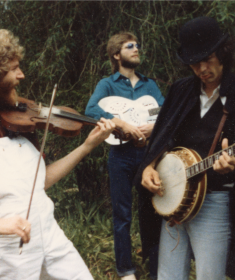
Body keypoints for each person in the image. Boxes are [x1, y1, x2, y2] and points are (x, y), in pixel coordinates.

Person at [0, 28, 115, 280]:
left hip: (49, 232)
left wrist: (87, 146)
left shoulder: (17, 120)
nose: (21, 75)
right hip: (8, 245)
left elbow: (40, 181)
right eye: (14, 69)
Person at [135, 17, 235, 280]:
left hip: (214, 202)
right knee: (168, 276)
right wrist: (148, 167)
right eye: (194, 62)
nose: (201, 68)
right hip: (172, 196)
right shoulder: (182, 90)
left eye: (208, 58)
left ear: (223, 51)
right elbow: (161, 138)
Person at [85, 32, 164, 280]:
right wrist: (119, 122)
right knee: (122, 214)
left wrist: (155, 126)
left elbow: (165, 112)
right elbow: (90, 110)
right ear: (116, 54)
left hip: (148, 157)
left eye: (138, 45)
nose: (136, 49)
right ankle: (126, 269)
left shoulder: (149, 85)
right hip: (120, 155)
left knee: (152, 211)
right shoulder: (107, 84)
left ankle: (156, 269)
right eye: (130, 46)